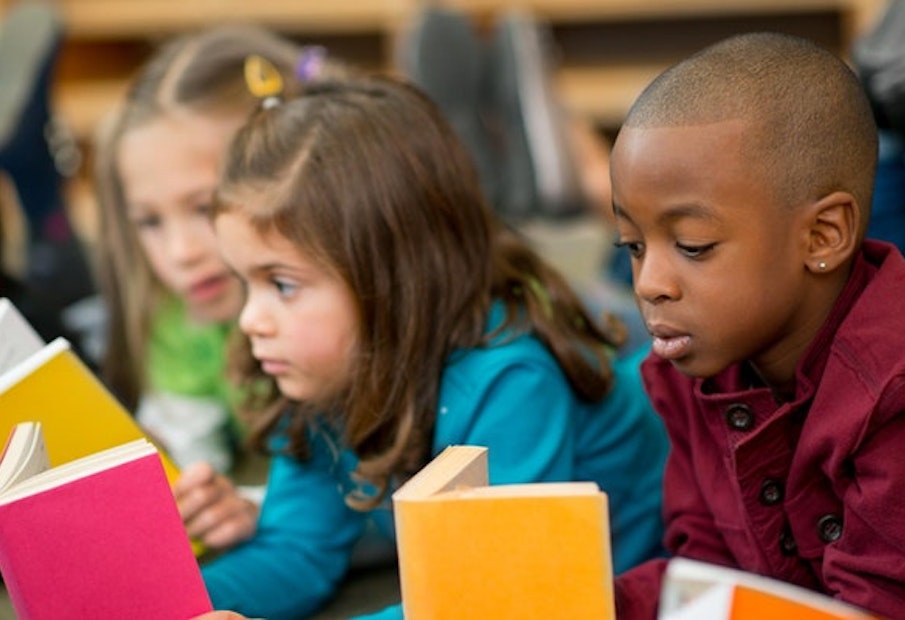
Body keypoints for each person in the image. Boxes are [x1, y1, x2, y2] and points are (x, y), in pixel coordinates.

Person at [197, 71, 668, 619]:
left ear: (392, 280)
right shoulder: (314, 367)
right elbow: (295, 553)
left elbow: (494, 602)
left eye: (282, 284)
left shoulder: (510, 381)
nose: (251, 320)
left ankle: (572, 169)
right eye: (243, 281)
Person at [608, 32, 905, 618]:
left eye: (692, 246)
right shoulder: (692, 372)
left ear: (823, 236)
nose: (648, 283)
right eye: (633, 245)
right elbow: (706, 580)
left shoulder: (892, 392)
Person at [92, 25, 347, 550]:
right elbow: (191, 465)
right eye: (150, 222)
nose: (181, 252)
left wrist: (262, 513)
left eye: (205, 208)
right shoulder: (181, 320)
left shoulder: (338, 318)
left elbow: (381, 497)